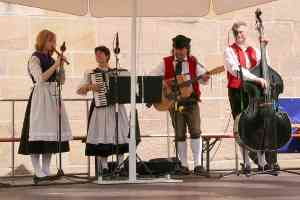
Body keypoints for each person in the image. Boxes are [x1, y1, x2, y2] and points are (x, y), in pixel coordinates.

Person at [18, 29, 72, 181]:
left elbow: (61, 81)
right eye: (50, 41)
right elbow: (40, 78)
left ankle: (46, 169)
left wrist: (61, 66)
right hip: (40, 98)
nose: (53, 44)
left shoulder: (52, 58)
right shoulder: (34, 58)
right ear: (43, 41)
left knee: (50, 135)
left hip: (53, 97)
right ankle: (37, 170)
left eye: (54, 41)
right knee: (37, 135)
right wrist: (56, 64)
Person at [152, 35, 210, 175]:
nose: (178, 52)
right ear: (173, 49)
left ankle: (198, 165)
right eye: (176, 49)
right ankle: (183, 165)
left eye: (182, 49)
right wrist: (166, 84)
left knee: (195, 131)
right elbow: (152, 76)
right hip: (174, 102)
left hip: (191, 102)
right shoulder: (165, 62)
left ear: (187, 50)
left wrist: (205, 77)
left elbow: (203, 79)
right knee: (179, 134)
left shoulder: (193, 62)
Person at [224, 21, 269, 175]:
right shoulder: (229, 51)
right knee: (242, 125)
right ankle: (246, 162)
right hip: (238, 91)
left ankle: (262, 161)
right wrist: (256, 80)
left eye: (242, 32)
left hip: (254, 92)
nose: (239, 35)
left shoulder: (254, 50)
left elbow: (265, 66)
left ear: (246, 32)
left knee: (258, 124)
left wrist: (264, 49)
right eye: (237, 32)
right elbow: (237, 71)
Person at [77, 46, 129, 176]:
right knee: (102, 136)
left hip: (116, 108)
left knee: (119, 134)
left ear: (107, 56)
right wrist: (90, 86)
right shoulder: (91, 73)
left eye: (101, 54)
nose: (98, 56)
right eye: (96, 54)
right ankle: (104, 168)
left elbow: (127, 88)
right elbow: (79, 90)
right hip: (100, 109)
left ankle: (121, 166)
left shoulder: (118, 71)